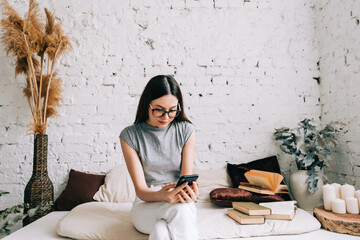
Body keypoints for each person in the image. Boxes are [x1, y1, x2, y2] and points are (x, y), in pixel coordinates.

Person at [119, 75, 199, 240]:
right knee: (180, 211)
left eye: (172, 110)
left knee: (161, 231)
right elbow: (141, 191)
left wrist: (190, 193)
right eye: (159, 109)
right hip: (147, 204)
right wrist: (163, 195)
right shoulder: (129, 136)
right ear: (146, 105)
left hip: (179, 201)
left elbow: (185, 180)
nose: (166, 117)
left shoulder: (186, 130)